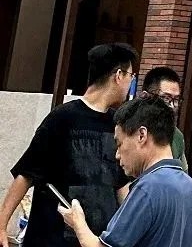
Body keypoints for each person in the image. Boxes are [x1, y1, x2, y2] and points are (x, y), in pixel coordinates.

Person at [0, 42, 137, 247]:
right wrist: (2, 226)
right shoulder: (62, 118)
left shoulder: (117, 124)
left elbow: (120, 183)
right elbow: (27, 173)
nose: (130, 83)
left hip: (95, 240)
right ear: (118, 75)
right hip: (52, 239)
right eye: (131, 76)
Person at [58, 95, 192, 247]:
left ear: (141, 135)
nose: (117, 154)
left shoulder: (147, 189)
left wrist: (78, 222)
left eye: (119, 144)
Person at [140, 68, 187, 171]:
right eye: (166, 98)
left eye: (176, 100)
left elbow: (181, 175)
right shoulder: (128, 128)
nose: (172, 106)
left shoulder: (177, 136)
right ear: (145, 96)